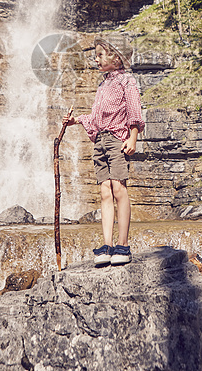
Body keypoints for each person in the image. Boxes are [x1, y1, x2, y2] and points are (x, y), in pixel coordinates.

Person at [63, 34, 145, 266]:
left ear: (116, 58)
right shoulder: (103, 84)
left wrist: (133, 137)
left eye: (100, 55)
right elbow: (97, 118)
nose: (96, 60)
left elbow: (134, 110)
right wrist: (76, 120)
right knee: (104, 192)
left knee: (119, 188)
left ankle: (124, 245)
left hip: (118, 140)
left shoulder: (126, 81)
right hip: (100, 141)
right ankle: (107, 245)